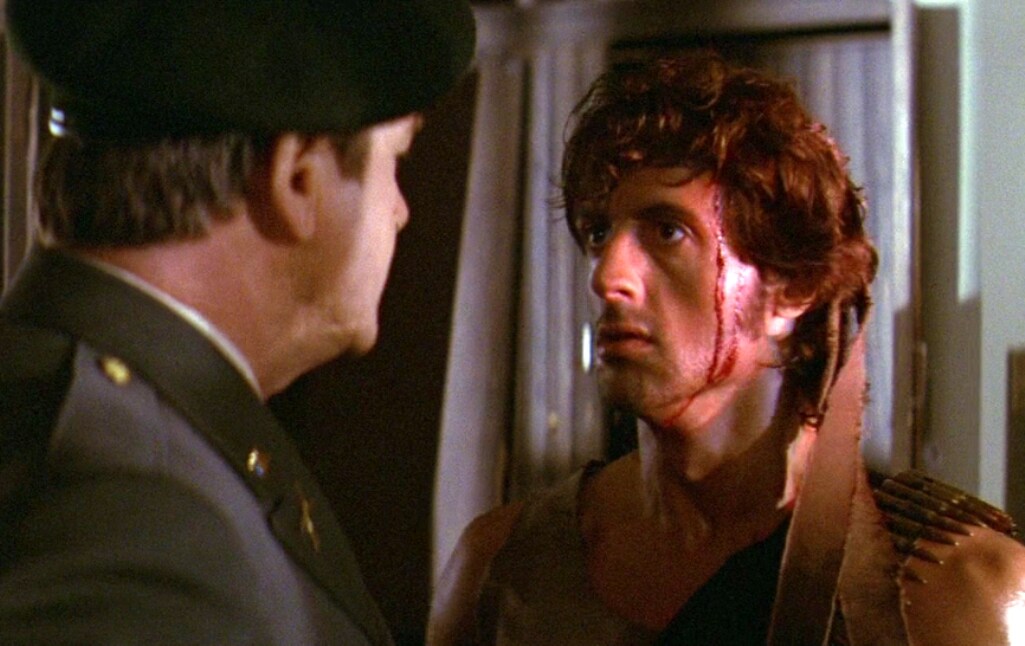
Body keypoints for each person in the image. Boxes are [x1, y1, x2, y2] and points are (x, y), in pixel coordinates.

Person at [427, 51, 1025, 646]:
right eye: (600, 232)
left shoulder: (954, 593)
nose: (607, 276)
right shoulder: (500, 569)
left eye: (668, 231)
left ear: (791, 288)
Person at [0, 1, 474, 644]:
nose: (400, 211)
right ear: (297, 179)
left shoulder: (72, 408)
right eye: (396, 160)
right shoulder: (136, 522)